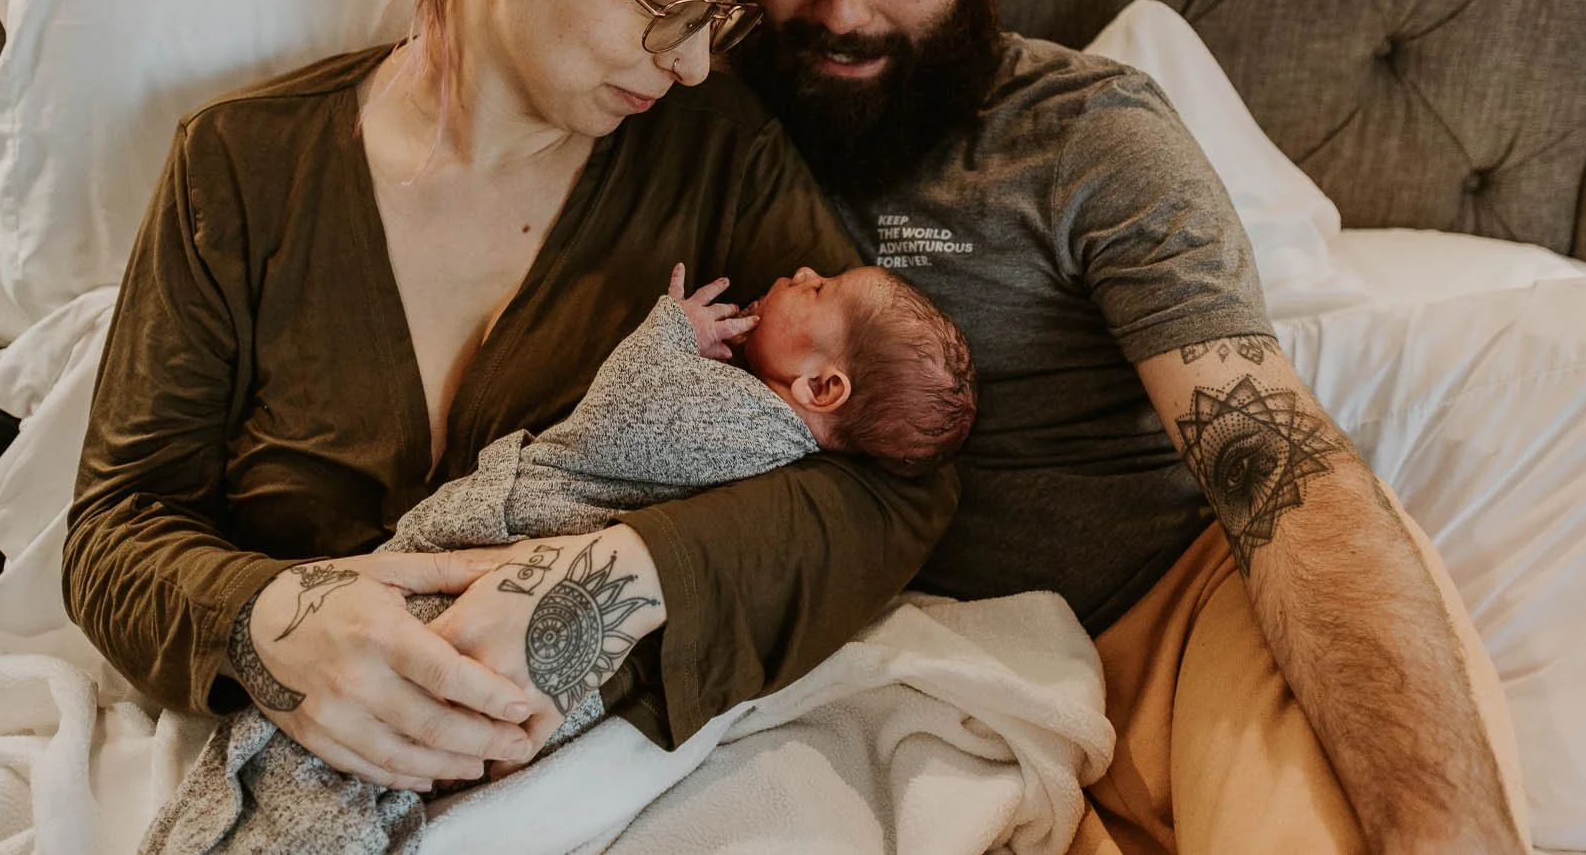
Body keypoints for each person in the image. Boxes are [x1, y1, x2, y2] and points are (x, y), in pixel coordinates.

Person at [60, 0, 957, 802]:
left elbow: (895, 481)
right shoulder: (239, 171)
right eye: (662, 3)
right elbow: (116, 529)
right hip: (301, 758)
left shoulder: (711, 153)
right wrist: (271, 621)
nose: (695, 60)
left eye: (718, 15)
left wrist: (632, 569)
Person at [734, 0, 1531, 855]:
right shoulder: (691, 120)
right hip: (897, 680)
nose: (841, 13)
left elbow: (1271, 459)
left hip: (1175, 617)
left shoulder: (1086, 135)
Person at [145, 263, 975, 854]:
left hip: (498, 563)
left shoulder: (748, 420)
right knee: (384, 748)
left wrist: (670, 332)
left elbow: (616, 420)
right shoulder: (788, 450)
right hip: (538, 646)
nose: (799, 268)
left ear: (823, 390)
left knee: (350, 738)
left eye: (820, 286)